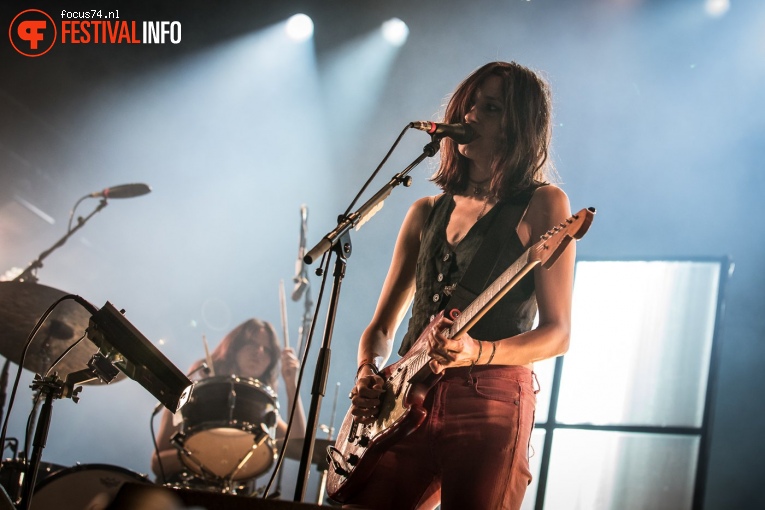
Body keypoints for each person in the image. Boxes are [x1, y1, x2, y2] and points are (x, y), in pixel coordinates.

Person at [346, 61, 575, 510]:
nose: (470, 116)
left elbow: (558, 333)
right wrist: (367, 371)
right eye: (469, 103)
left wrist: (478, 352)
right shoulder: (425, 212)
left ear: (519, 127)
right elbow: (380, 328)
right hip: (404, 402)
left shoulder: (544, 204)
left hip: (489, 399)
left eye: (490, 108)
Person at [150, 318, 306, 485]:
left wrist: (291, 384)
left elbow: (298, 445)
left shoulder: (259, 407)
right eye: (252, 344)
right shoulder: (194, 390)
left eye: (267, 350)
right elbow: (158, 463)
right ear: (235, 346)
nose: (259, 352)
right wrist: (207, 454)